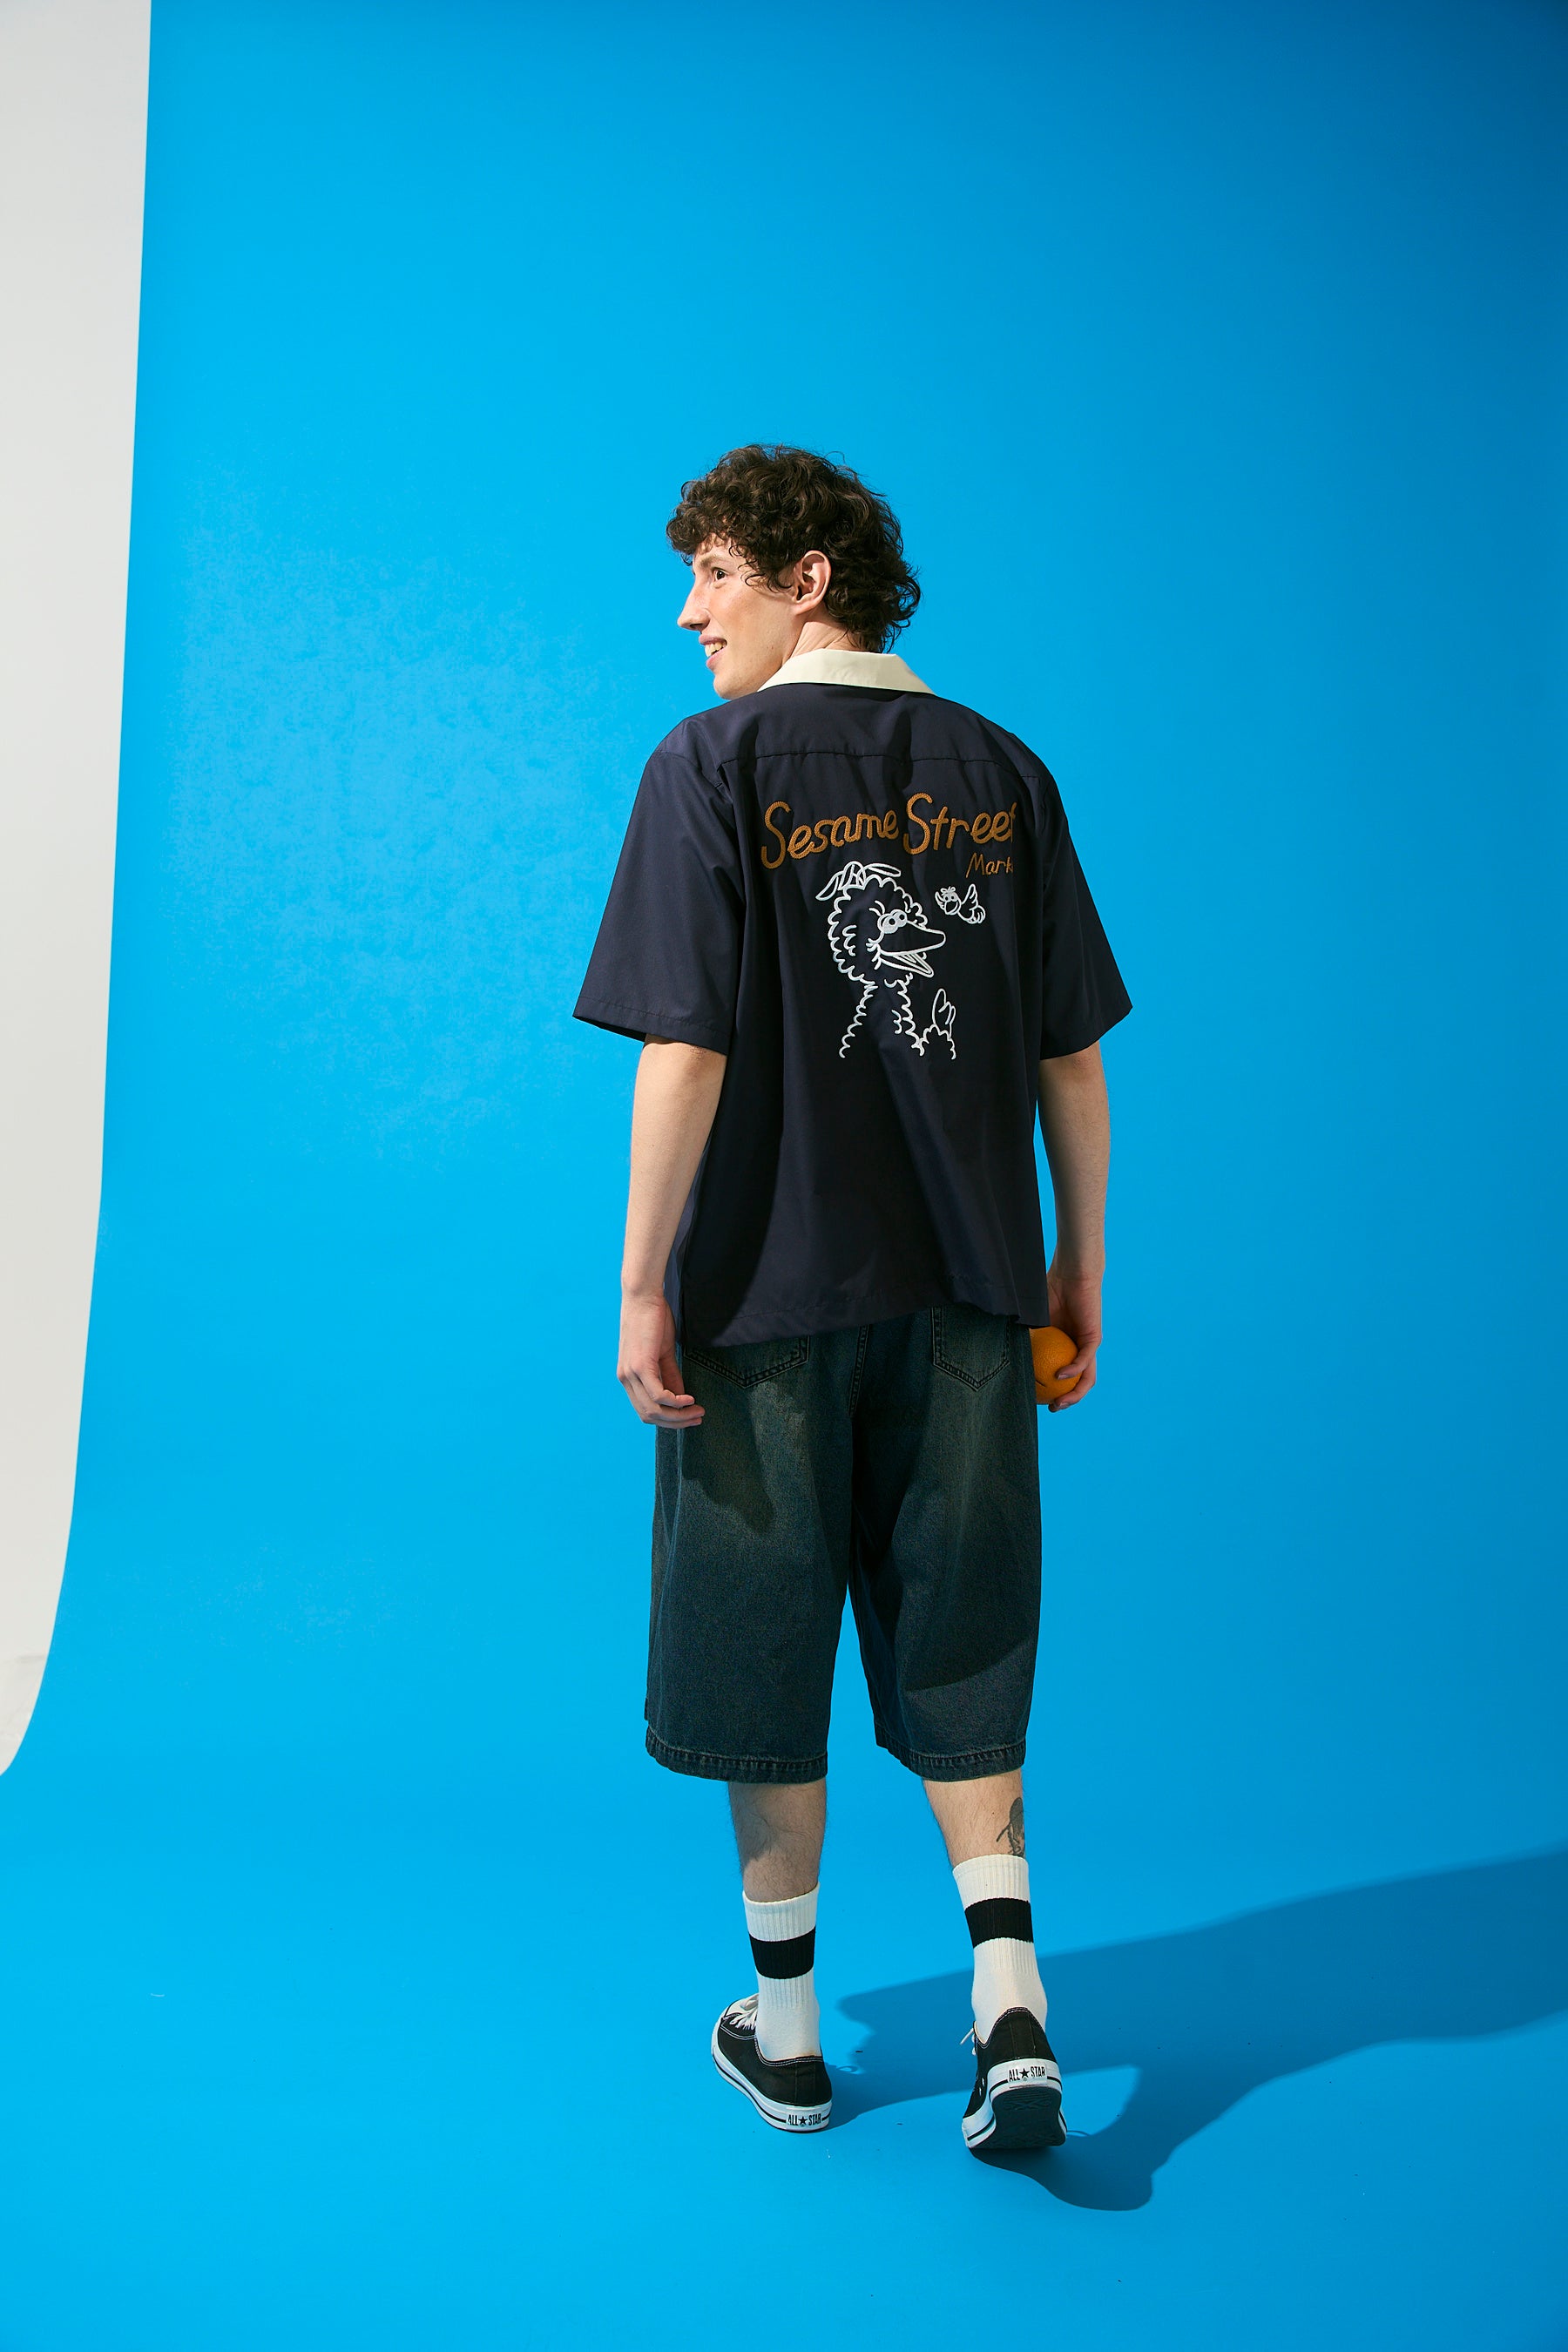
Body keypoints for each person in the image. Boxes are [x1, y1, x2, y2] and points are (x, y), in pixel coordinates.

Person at [575, 444, 1130, 2153]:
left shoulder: (711, 765)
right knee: (964, 1633)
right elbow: (1070, 1060)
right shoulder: (1007, 772)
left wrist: (644, 1284)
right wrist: (1074, 1268)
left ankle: (793, 2033)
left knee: (759, 1648)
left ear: (808, 577)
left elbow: (687, 1048)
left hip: (765, 1296)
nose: (691, 613)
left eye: (716, 574)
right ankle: (1010, 1994)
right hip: (971, 1295)